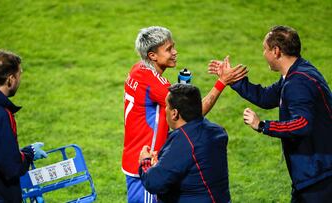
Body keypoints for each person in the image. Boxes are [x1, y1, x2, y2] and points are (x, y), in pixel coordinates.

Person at [123, 26, 246, 203]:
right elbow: (192, 113)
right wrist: (221, 82)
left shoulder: (138, 70)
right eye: (168, 49)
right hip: (147, 160)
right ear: (152, 56)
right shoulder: (154, 83)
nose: (175, 52)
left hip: (134, 152)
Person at [210, 25, 332, 202]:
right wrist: (232, 80)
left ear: (276, 51)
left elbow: (302, 123)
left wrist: (262, 125)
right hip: (313, 174)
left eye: (264, 49)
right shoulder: (297, 72)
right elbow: (266, 97)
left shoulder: (298, 83)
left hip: (319, 177)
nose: (263, 54)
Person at [0, 50, 48, 203]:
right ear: (10, 79)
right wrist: (29, 153)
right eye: (19, 74)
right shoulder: (0, 115)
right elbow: (10, 167)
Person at [138, 84, 230, 203]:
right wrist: (161, 162)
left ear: (174, 113)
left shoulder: (184, 142)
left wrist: (145, 162)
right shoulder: (217, 131)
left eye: (167, 106)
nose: (165, 110)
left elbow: (154, 183)